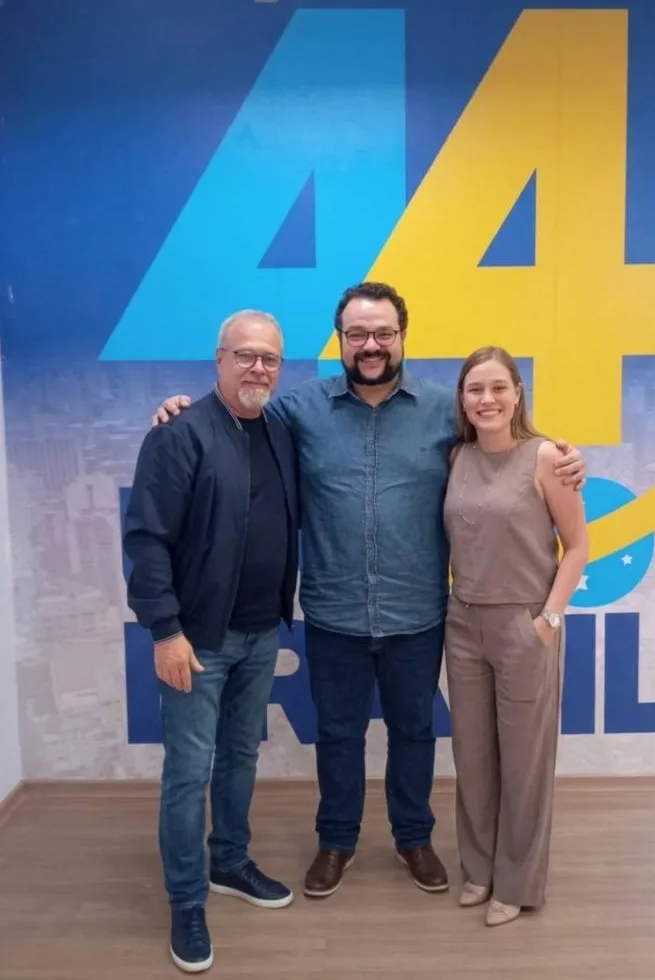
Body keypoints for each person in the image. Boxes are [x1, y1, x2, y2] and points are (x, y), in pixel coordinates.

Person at [150, 282, 586, 900]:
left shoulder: (446, 410)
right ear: (341, 341)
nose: (371, 345)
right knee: (338, 734)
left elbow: (509, 440)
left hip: (418, 612)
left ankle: (414, 838)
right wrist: (178, 408)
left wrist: (565, 454)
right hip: (333, 613)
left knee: (414, 733)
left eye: (384, 333)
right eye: (358, 334)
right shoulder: (298, 409)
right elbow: (232, 413)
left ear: (403, 337)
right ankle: (337, 841)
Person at [123, 310, 299, 974]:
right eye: (246, 355)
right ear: (219, 359)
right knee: (188, 773)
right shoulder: (179, 434)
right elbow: (146, 541)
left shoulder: (279, 430)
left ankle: (229, 862)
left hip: (261, 635)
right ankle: (187, 901)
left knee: (239, 760)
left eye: (271, 359)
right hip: (196, 640)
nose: (259, 368)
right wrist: (165, 630)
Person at [443, 346, 588, 928]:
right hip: (463, 623)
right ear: (462, 399)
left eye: (498, 387)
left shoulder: (548, 457)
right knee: (473, 757)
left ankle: (518, 882)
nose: (487, 399)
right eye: (475, 389)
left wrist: (548, 621)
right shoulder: (455, 456)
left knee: (524, 761)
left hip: (525, 622)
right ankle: (479, 871)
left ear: (517, 393)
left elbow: (577, 546)